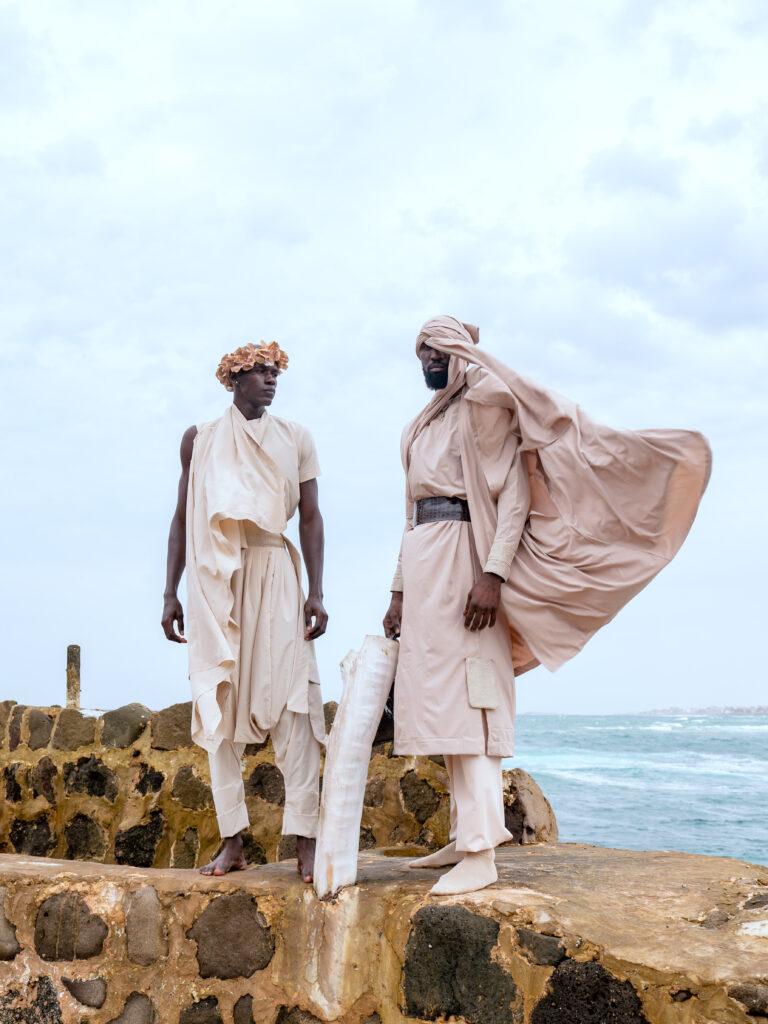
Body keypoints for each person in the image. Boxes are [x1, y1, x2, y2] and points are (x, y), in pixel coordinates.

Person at [383, 316, 710, 895]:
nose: (430, 360)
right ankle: (463, 835)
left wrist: (493, 575)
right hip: (426, 563)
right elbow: (410, 515)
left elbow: (514, 497)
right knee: (443, 706)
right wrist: (398, 591)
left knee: (476, 701)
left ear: (462, 353)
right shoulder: (422, 423)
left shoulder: (486, 404)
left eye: (441, 350)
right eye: (423, 352)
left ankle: (482, 852)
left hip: (468, 559)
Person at [162, 341, 328, 880]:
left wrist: (316, 592)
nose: (270, 379)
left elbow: (311, 518)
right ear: (232, 379)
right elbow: (183, 516)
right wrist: (170, 593)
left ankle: (305, 840)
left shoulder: (296, 437)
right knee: (218, 702)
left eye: (274, 371)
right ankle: (232, 840)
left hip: (277, 569)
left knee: (295, 701)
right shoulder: (200, 438)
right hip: (218, 578)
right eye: (258, 371)